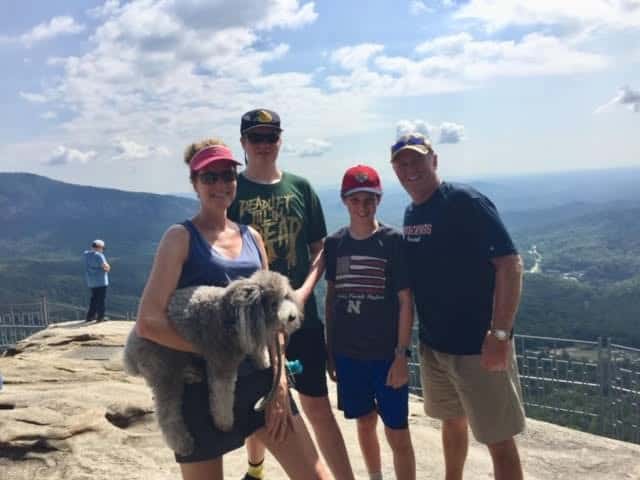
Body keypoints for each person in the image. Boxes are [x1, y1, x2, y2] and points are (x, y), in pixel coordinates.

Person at [135, 138, 329, 480]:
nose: (221, 184)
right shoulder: (179, 238)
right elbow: (149, 322)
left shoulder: (252, 237)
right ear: (194, 184)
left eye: (227, 175)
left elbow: (274, 319)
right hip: (195, 389)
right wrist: (219, 349)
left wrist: (281, 384)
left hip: (259, 383)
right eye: (209, 177)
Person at [390, 132, 526, 480]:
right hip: (435, 347)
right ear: (395, 170)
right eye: (401, 163)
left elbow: (509, 264)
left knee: (498, 440)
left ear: (434, 160)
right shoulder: (412, 211)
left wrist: (499, 334)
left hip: (477, 348)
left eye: (417, 159)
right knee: (451, 422)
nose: (410, 169)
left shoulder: (464, 200)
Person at [228, 109, 354, 480]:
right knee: (259, 401)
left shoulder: (301, 187)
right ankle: (256, 470)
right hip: (254, 322)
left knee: (317, 406)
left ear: (280, 140)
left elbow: (320, 249)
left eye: (271, 137)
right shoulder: (231, 190)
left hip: (302, 317)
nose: (264, 145)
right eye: (256, 138)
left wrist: (302, 292)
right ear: (244, 143)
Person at [324, 165, 416, 480]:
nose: (363, 207)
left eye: (369, 199)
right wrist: (330, 350)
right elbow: (331, 299)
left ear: (378, 199)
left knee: (398, 431)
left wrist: (401, 355)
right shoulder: (334, 244)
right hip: (349, 354)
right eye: (355, 200)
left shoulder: (393, 241)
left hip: (387, 357)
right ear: (344, 200)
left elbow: (406, 300)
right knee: (364, 422)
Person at [83, 239, 111, 322]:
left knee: (94, 299)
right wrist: (108, 267)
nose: (103, 250)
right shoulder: (99, 256)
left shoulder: (86, 254)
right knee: (101, 300)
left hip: (91, 281)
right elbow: (106, 267)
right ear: (99, 247)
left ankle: (90, 316)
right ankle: (100, 317)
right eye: (103, 248)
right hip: (101, 281)